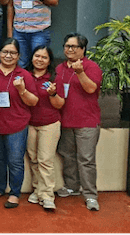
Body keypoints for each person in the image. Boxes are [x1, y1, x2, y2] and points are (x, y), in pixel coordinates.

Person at [0, 38, 38, 209]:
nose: (8, 56)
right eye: (5, 52)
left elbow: (34, 101)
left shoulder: (24, 75)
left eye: (13, 53)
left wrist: (22, 90)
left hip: (17, 124)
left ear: (19, 56)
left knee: (15, 161)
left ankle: (14, 193)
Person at [55, 32, 103, 211]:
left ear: (83, 49)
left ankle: (90, 195)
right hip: (65, 120)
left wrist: (80, 72)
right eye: (67, 46)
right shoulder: (60, 68)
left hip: (87, 122)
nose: (70, 49)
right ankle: (72, 187)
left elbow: (91, 89)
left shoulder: (92, 67)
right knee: (67, 156)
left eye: (74, 47)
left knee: (86, 160)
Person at [25, 45, 64, 211]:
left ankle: (47, 195)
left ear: (49, 61)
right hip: (29, 124)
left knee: (45, 160)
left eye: (44, 57)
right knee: (33, 159)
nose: (39, 60)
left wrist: (53, 94)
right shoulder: (24, 76)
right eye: (37, 56)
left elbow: (60, 104)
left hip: (49, 123)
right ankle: (38, 190)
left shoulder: (55, 78)